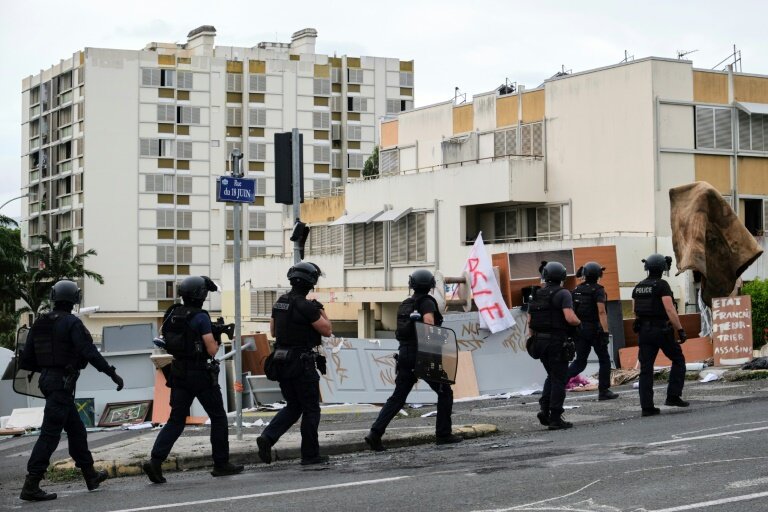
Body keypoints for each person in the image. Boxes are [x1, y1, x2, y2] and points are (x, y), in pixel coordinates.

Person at [18, 280, 124, 501]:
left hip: (48, 382)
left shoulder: (40, 322)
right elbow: (89, 353)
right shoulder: (72, 323)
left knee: (76, 431)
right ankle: (31, 484)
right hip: (62, 384)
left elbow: (26, 359)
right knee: (49, 435)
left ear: (54, 298)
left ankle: (90, 476)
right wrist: (111, 373)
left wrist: (49, 367)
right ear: (74, 300)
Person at [143, 276, 243, 483]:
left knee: (176, 420)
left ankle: (155, 461)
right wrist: (216, 336)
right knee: (218, 417)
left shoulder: (172, 313)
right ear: (202, 296)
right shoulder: (201, 317)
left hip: (178, 371)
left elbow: (168, 338)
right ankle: (221, 464)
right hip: (200, 374)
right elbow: (212, 350)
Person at [364, 269, 463, 451]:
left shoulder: (405, 304)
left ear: (412, 285)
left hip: (405, 354)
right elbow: (429, 324)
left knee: (398, 397)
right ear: (431, 285)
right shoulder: (427, 302)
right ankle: (443, 434)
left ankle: (375, 433)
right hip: (422, 354)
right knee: (444, 392)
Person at [257, 262, 332, 466]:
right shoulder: (307, 306)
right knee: (311, 409)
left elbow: (273, 332)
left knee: (294, 405)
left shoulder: (280, 302)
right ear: (310, 283)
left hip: (281, 361)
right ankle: (310, 455)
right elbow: (327, 330)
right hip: (301, 363)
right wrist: (321, 310)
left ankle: (268, 437)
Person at [632, 254, 688, 417]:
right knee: (678, 360)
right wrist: (680, 329)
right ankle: (673, 396)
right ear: (663, 268)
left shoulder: (638, 287)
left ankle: (647, 407)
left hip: (644, 332)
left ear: (647, 268)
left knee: (646, 369)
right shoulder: (662, 285)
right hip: (661, 330)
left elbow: (635, 310)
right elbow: (670, 309)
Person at [528, 261, 582, 430]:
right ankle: (555, 417)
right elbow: (570, 318)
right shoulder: (563, 293)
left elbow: (529, 321)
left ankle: (545, 410)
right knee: (559, 379)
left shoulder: (536, 294)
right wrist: (580, 323)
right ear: (562, 276)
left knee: (551, 376)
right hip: (556, 342)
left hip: (539, 342)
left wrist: (534, 338)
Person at [566, 262, 618, 401]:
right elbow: (601, 311)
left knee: (580, 362)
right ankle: (604, 391)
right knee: (604, 359)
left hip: (579, 330)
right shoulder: (598, 290)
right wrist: (605, 332)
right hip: (595, 329)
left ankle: (558, 382)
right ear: (598, 275)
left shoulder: (576, 290)